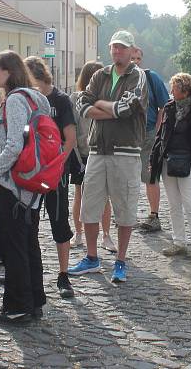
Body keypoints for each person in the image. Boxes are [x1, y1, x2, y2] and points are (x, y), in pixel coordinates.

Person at [69, 30, 148, 283]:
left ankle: (121, 261)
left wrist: (100, 105)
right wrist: (109, 108)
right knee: (89, 207)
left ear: (131, 50)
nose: (117, 52)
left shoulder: (137, 76)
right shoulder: (99, 75)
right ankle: (92, 258)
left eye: (122, 48)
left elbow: (127, 109)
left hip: (125, 151)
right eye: (114, 47)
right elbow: (82, 105)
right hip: (97, 150)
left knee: (125, 209)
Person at [0, 50, 51, 324]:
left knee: (13, 247)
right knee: (28, 242)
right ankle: (35, 300)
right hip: (34, 180)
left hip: (13, 183)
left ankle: (17, 306)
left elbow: (13, 144)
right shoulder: (39, 98)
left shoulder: (14, 100)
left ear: (9, 72)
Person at [149, 73, 191, 264]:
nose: (171, 91)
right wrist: (155, 158)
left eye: (174, 87)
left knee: (190, 204)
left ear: (184, 90)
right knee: (173, 204)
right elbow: (161, 135)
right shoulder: (170, 107)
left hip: (190, 161)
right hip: (168, 160)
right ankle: (179, 241)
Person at [23, 56, 76, 299]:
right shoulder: (25, 99)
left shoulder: (60, 100)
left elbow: (70, 140)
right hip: (29, 174)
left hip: (55, 175)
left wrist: (56, 168)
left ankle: (63, 275)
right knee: (26, 223)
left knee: (59, 222)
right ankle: (27, 270)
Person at [70, 62, 116, 252]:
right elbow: (72, 128)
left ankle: (102, 235)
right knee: (83, 194)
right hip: (85, 152)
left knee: (101, 196)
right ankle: (82, 233)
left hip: (99, 151)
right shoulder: (76, 98)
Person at [131, 47, 170, 234]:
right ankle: (127, 215)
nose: (135, 61)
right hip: (127, 135)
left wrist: (157, 131)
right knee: (126, 177)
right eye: (132, 58)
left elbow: (164, 106)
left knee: (150, 176)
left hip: (147, 134)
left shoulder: (151, 77)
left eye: (138, 58)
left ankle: (154, 216)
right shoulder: (118, 78)